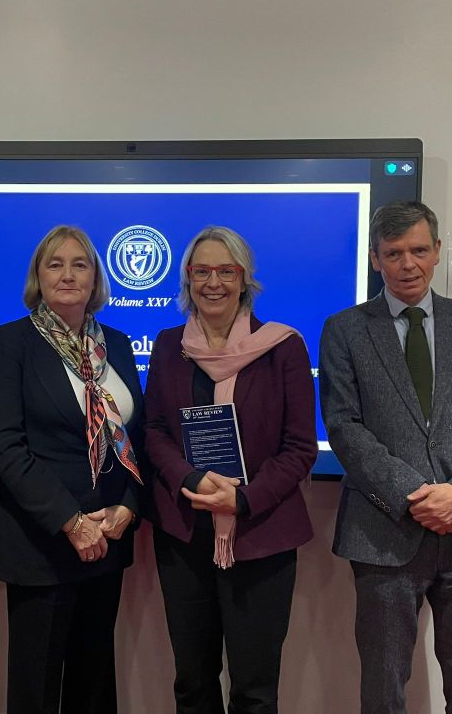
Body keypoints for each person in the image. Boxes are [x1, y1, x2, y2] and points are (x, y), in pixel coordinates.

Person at [319, 201, 452, 714]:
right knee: (383, 694)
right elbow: (344, 427)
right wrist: (414, 495)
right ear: (374, 258)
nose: (408, 264)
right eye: (393, 253)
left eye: (419, 250)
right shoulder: (344, 330)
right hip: (382, 533)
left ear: (437, 251)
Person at [144, 225, 317, 714]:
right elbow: (154, 430)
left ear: (244, 279)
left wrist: (242, 498)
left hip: (261, 534)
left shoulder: (282, 346)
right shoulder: (169, 345)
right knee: (192, 682)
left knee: (254, 690)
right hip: (184, 535)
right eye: (202, 271)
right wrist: (190, 478)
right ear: (188, 278)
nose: (213, 282)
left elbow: (300, 447)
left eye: (226, 271)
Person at [0, 225, 145, 714]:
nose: (68, 274)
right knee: (36, 685)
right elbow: (6, 447)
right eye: (55, 264)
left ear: (95, 277)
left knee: (93, 682)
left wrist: (129, 507)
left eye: (80, 264)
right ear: (39, 276)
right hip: (42, 541)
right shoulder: (10, 343)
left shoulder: (117, 344)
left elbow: (136, 437)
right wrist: (71, 523)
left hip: (108, 536)